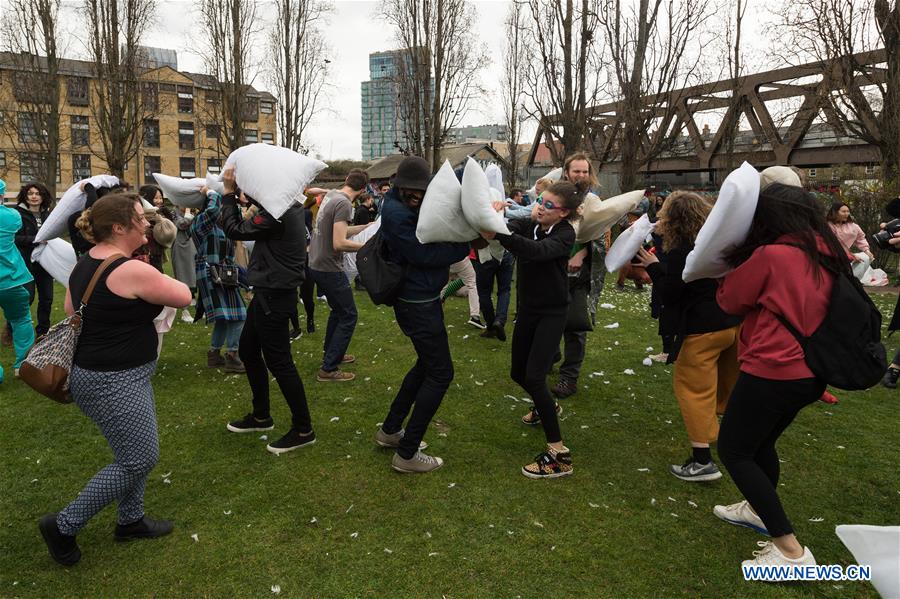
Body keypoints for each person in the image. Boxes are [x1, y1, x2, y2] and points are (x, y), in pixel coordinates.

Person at [38, 193, 191, 566]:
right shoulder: (130, 269)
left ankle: (130, 520)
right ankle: (63, 525)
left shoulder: (86, 262)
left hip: (111, 375)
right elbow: (184, 295)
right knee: (139, 458)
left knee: (133, 452)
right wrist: (148, 274)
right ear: (119, 227)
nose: (147, 223)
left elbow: (70, 308)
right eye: (140, 217)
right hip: (112, 380)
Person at [712, 183, 847, 572]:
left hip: (772, 368)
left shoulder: (772, 255)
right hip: (810, 371)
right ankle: (758, 510)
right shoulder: (827, 252)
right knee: (760, 443)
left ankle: (791, 551)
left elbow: (730, 300)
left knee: (735, 451)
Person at [636, 191, 742, 482]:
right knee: (726, 387)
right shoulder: (717, 241)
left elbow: (672, 292)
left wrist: (654, 267)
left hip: (701, 328)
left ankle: (702, 460)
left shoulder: (681, 248)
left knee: (694, 391)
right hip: (731, 324)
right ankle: (733, 438)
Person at [376, 156, 470, 473]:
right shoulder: (396, 213)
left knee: (425, 365)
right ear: (399, 185)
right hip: (416, 303)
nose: (417, 195)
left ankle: (390, 430)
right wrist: (464, 246)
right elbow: (423, 255)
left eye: (421, 189)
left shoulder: (401, 203)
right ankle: (407, 454)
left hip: (420, 299)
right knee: (441, 373)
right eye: (411, 190)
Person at [484, 180, 584, 478]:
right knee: (518, 372)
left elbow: (537, 251)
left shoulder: (565, 234)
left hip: (552, 313)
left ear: (563, 213)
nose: (540, 207)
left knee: (535, 376)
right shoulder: (532, 224)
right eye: (540, 200)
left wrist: (500, 234)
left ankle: (559, 455)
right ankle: (547, 406)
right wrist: (494, 216)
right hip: (528, 310)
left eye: (548, 205)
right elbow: (510, 228)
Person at [219, 167, 316, 455]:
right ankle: (261, 416)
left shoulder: (279, 212)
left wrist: (228, 194)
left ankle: (303, 429)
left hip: (274, 295)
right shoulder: (286, 205)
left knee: (280, 362)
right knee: (249, 350)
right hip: (269, 292)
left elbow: (235, 230)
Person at [309, 170, 371, 382]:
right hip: (329, 267)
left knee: (338, 311)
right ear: (363, 190)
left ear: (346, 180)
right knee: (349, 315)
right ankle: (328, 368)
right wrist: (367, 248)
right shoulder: (344, 203)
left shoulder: (332, 196)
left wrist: (365, 227)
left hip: (316, 263)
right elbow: (339, 243)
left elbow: (339, 231)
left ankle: (332, 353)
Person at [553, 153, 607, 399]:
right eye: (577, 171)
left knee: (575, 326)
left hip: (579, 276)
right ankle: (550, 356)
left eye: (585, 171)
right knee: (549, 320)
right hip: (553, 272)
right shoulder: (555, 196)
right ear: (566, 172)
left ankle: (569, 377)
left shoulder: (593, 201)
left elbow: (600, 237)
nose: (581, 175)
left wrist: (582, 254)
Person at [191, 189, 246, 373]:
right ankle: (232, 355)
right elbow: (213, 211)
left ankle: (214, 355)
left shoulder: (221, 227)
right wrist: (212, 192)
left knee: (224, 317)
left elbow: (238, 223)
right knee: (240, 315)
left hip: (224, 275)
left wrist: (233, 203)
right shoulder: (201, 223)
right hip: (211, 274)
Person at [0, 178, 35, 384]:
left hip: (10, 280)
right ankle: (22, 366)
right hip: (11, 279)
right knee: (21, 319)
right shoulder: (12, 216)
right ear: (2, 195)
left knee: (21, 319)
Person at [13, 181, 54, 337]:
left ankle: (43, 331)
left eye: (37, 193)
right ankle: (13, 329)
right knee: (27, 298)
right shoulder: (17, 214)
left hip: (45, 263)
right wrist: (35, 240)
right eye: (30, 193)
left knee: (47, 298)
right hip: (25, 263)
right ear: (25, 196)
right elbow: (14, 238)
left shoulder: (48, 214)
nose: (34, 197)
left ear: (43, 196)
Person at [826, 202, 873, 281]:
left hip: (846, 257)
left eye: (848, 211)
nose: (846, 214)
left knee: (864, 258)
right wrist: (850, 255)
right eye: (843, 211)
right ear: (835, 212)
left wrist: (867, 251)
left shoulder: (853, 226)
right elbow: (831, 244)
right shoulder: (827, 226)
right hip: (830, 256)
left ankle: (852, 281)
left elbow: (861, 238)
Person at [171, 207, 197, 323]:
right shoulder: (173, 212)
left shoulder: (193, 211)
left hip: (192, 244)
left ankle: (193, 300)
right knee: (182, 276)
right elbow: (181, 224)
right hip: (180, 246)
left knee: (193, 274)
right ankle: (184, 311)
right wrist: (187, 215)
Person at [442, 256, 484, 329]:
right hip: (459, 257)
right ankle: (475, 316)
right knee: (471, 283)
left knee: (442, 285)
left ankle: (433, 308)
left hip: (443, 258)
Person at [139, 185, 172, 273]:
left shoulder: (160, 213)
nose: (159, 201)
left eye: (160, 198)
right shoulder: (145, 216)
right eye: (156, 198)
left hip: (157, 252)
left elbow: (170, 232)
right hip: (149, 253)